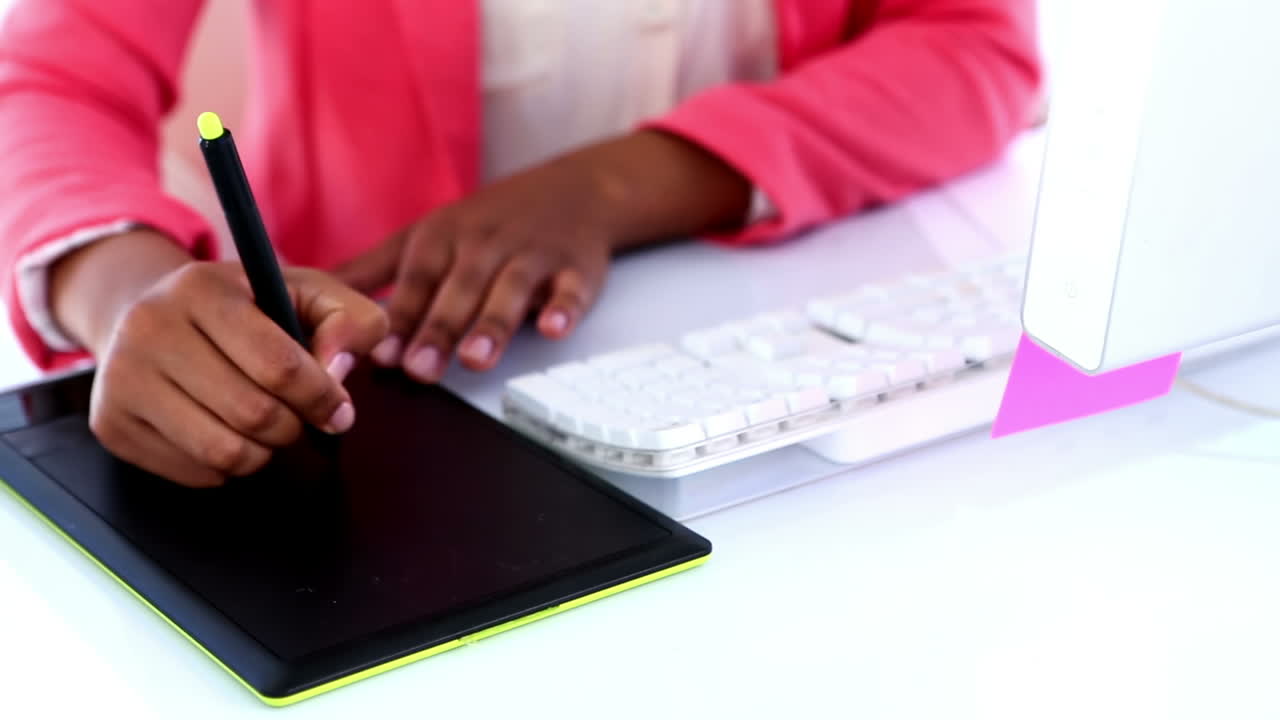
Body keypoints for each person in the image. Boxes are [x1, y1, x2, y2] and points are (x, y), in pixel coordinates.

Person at [0, 0, 1042, 487]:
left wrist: (621, 183)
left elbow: (972, 43)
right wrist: (130, 287)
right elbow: (46, 81)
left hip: (792, 383)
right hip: (389, 410)